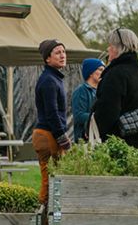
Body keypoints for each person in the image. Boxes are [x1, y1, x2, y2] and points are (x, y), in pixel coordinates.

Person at [93, 28, 138, 149]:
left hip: (118, 144)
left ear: (117, 48)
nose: (108, 49)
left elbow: (107, 112)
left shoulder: (115, 74)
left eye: (110, 45)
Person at [31, 39, 72, 205]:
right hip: (47, 135)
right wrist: (63, 138)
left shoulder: (54, 78)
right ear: (47, 59)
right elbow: (52, 113)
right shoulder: (48, 80)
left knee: (55, 180)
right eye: (57, 52)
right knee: (49, 182)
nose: (62, 55)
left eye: (63, 51)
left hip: (50, 134)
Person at [71, 58, 104, 144]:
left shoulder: (102, 90)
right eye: (100, 69)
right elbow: (79, 115)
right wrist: (99, 116)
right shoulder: (81, 91)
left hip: (98, 138)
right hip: (84, 141)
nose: (103, 72)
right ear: (91, 72)